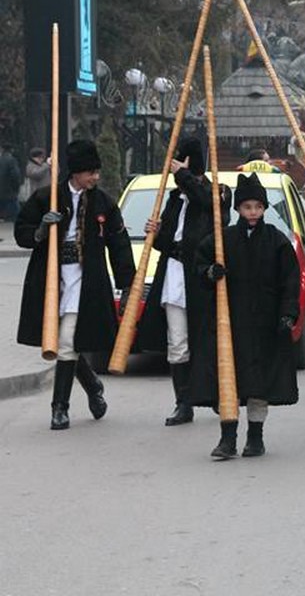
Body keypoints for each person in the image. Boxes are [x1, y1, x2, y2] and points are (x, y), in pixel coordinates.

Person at [15, 139, 135, 430]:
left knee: (67, 341)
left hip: (85, 280)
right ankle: (93, 385)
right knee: (59, 341)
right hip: (51, 278)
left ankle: (59, 407)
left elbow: (118, 243)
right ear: (76, 173)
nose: (95, 177)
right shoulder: (48, 197)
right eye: (90, 172)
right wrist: (42, 228)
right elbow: (22, 232)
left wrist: (126, 282)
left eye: (97, 172)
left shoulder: (103, 202)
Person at [193, 173, 300, 459]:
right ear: (238, 209)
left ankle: (255, 437)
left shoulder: (277, 242)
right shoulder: (222, 240)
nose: (252, 212)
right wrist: (210, 272)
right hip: (231, 323)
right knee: (229, 380)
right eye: (247, 207)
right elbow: (200, 264)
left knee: (259, 384)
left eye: (258, 207)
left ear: (264, 209)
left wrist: (288, 313)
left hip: (265, 323)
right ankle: (227, 438)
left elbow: (290, 280)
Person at [139, 135, 227, 427]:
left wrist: (185, 175)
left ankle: (215, 395)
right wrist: (157, 231)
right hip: (174, 274)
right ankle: (183, 402)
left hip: (201, 277)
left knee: (207, 338)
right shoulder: (175, 199)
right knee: (177, 341)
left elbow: (208, 206)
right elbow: (167, 242)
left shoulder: (217, 192)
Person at [0, 143, 22, 221]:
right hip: (9, 188)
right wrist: (17, 185)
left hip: (2, 187)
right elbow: (15, 174)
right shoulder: (11, 160)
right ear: (11, 150)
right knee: (13, 203)